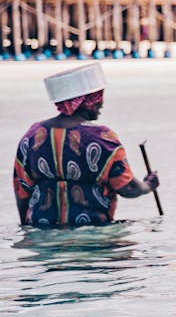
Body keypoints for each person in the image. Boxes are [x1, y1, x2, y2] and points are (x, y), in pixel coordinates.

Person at [14, 63, 160, 226]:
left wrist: (25, 227)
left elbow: (21, 190)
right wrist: (148, 185)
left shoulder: (32, 135)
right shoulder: (102, 138)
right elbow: (128, 188)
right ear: (87, 102)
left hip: (42, 232)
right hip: (92, 232)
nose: (101, 105)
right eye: (97, 99)